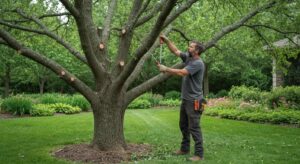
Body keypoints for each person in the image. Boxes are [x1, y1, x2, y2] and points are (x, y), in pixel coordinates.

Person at [157, 35, 205, 161]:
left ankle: (199, 154)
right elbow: (175, 51)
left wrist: (166, 69)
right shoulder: (189, 58)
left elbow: (182, 72)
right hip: (186, 99)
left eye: (191, 46)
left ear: (197, 51)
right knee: (183, 125)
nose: (188, 47)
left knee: (194, 127)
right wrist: (166, 40)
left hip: (194, 100)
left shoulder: (198, 63)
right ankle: (184, 149)